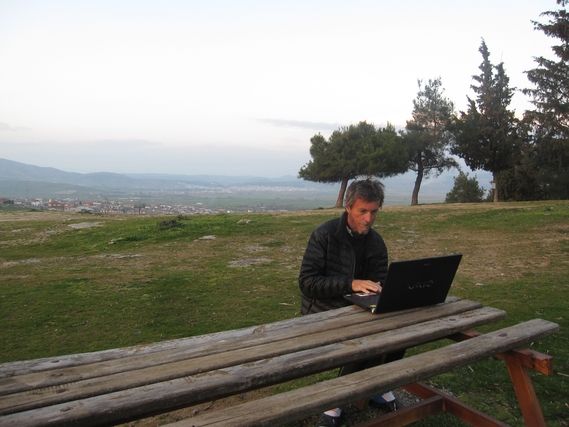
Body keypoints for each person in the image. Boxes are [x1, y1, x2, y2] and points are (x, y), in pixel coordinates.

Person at [298, 178, 400, 427]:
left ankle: (376, 384)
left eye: (374, 212)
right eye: (362, 211)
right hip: (322, 311)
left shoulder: (376, 242)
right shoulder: (324, 235)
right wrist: (350, 283)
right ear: (348, 206)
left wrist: (384, 290)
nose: (368, 219)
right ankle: (336, 402)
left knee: (400, 330)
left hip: (360, 309)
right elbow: (307, 282)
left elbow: (380, 280)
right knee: (361, 337)